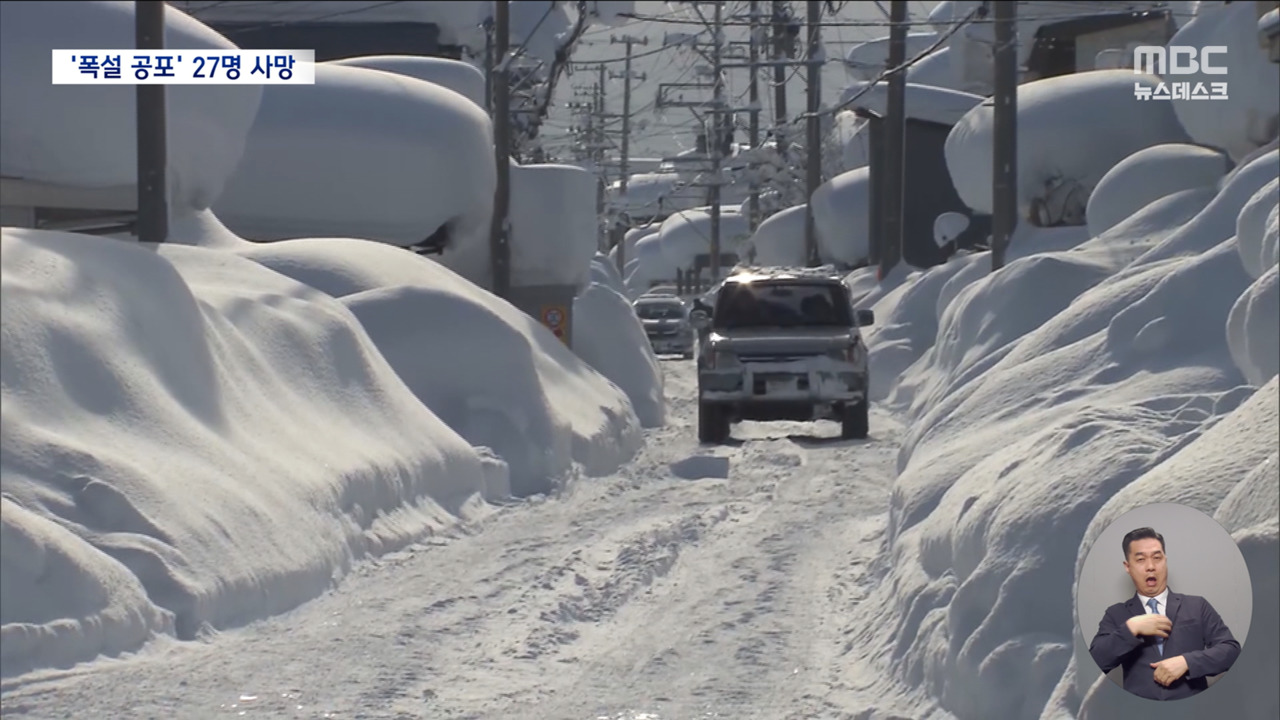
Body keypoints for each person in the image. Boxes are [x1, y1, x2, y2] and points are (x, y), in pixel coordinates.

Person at [1088, 527, 1242, 701]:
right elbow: (1096, 661)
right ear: (1127, 567)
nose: (1151, 567)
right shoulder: (1116, 614)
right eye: (1140, 560)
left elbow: (1231, 651)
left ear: (1165, 560)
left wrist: (1187, 662)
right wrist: (1131, 629)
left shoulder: (1197, 605)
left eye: (1157, 558)